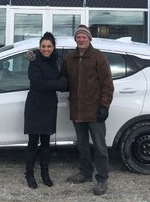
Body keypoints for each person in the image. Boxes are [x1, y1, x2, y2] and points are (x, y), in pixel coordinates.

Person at [61, 25, 114, 196]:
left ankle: (102, 178)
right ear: (75, 39)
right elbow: (63, 78)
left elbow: (107, 84)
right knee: (82, 144)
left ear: (89, 39)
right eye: (78, 37)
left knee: (99, 146)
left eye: (84, 37)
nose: (81, 39)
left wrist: (104, 105)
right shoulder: (70, 58)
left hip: (95, 110)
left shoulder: (98, 57)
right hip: (77, 110)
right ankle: (85, 173)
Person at [23, 32, 66, 189]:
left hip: (49, 105)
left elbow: (60, 80)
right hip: (35, 105)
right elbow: (39, 83)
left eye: (49, 46)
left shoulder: (55, 61)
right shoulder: (34, 61)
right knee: (33, 142)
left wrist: (61, 84)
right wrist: (59, 84)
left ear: (53, 48)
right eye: (43, 46)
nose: (46, 49)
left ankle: (45, 174)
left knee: (46, 143)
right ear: (39, 47)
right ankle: (29, 174)